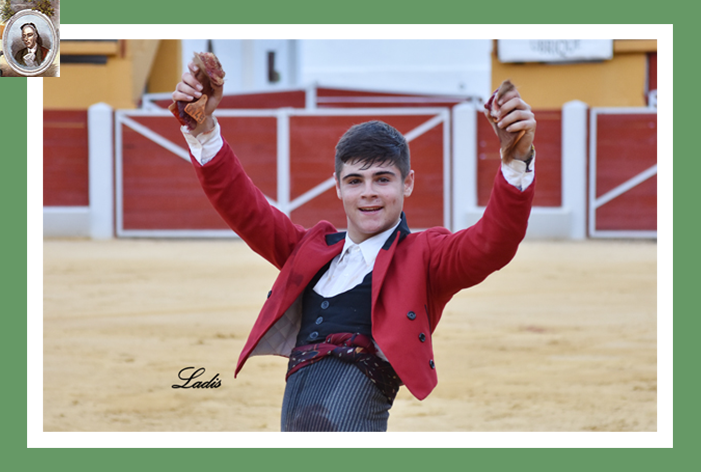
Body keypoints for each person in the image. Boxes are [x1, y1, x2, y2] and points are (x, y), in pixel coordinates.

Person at [173, 60, 537, 432]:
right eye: (355, 181)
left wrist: (515, 164)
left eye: (382, 179)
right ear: (337, 186)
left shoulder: (425, 257)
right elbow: (244, 207)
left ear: (407, 183)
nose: (368, 194)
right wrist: (204, 131)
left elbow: (492, 243)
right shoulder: (309, 250)